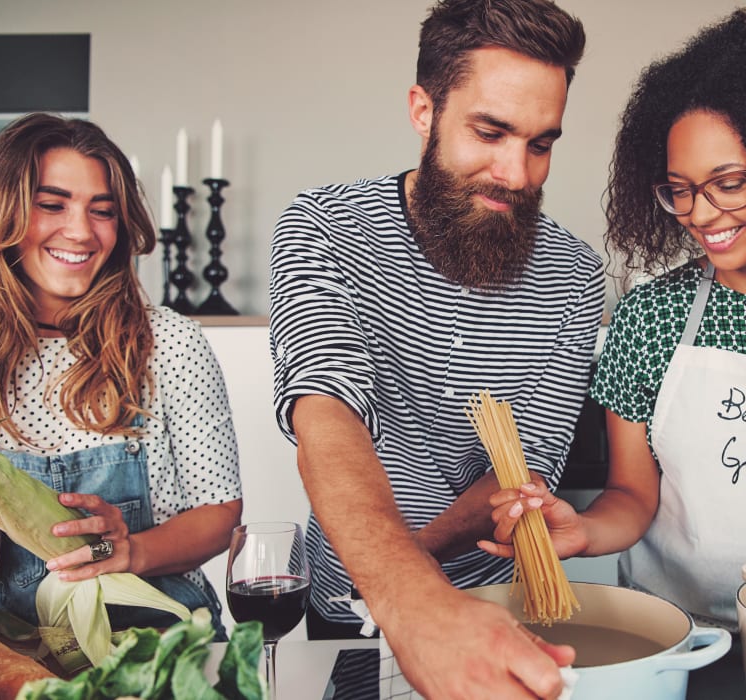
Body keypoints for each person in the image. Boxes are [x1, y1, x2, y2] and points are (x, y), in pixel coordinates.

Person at [484, 5, 746, 634]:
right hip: (671, 631)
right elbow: (633, 497)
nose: (701, 214)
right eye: (682, 189)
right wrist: (581, 530)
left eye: (727, 182)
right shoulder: (653, 316)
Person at [270, 0, 603, 695]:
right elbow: (326, 419)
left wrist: (424, 570)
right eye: (491, 132)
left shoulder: (575, 275)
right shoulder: (323, 227)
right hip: (356, 610)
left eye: (541, 143)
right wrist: (412, 598)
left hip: (505, 610)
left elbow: (524, 471)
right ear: (424, 111)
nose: (517, 172)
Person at [0, 113, 243, 640]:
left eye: (102, 211)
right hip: (4, 653)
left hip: (154, 638)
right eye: (51, 205)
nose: (80, 231)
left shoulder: (168, 343)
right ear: (3, 213)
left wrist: (132, 549)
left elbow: (219, 512)